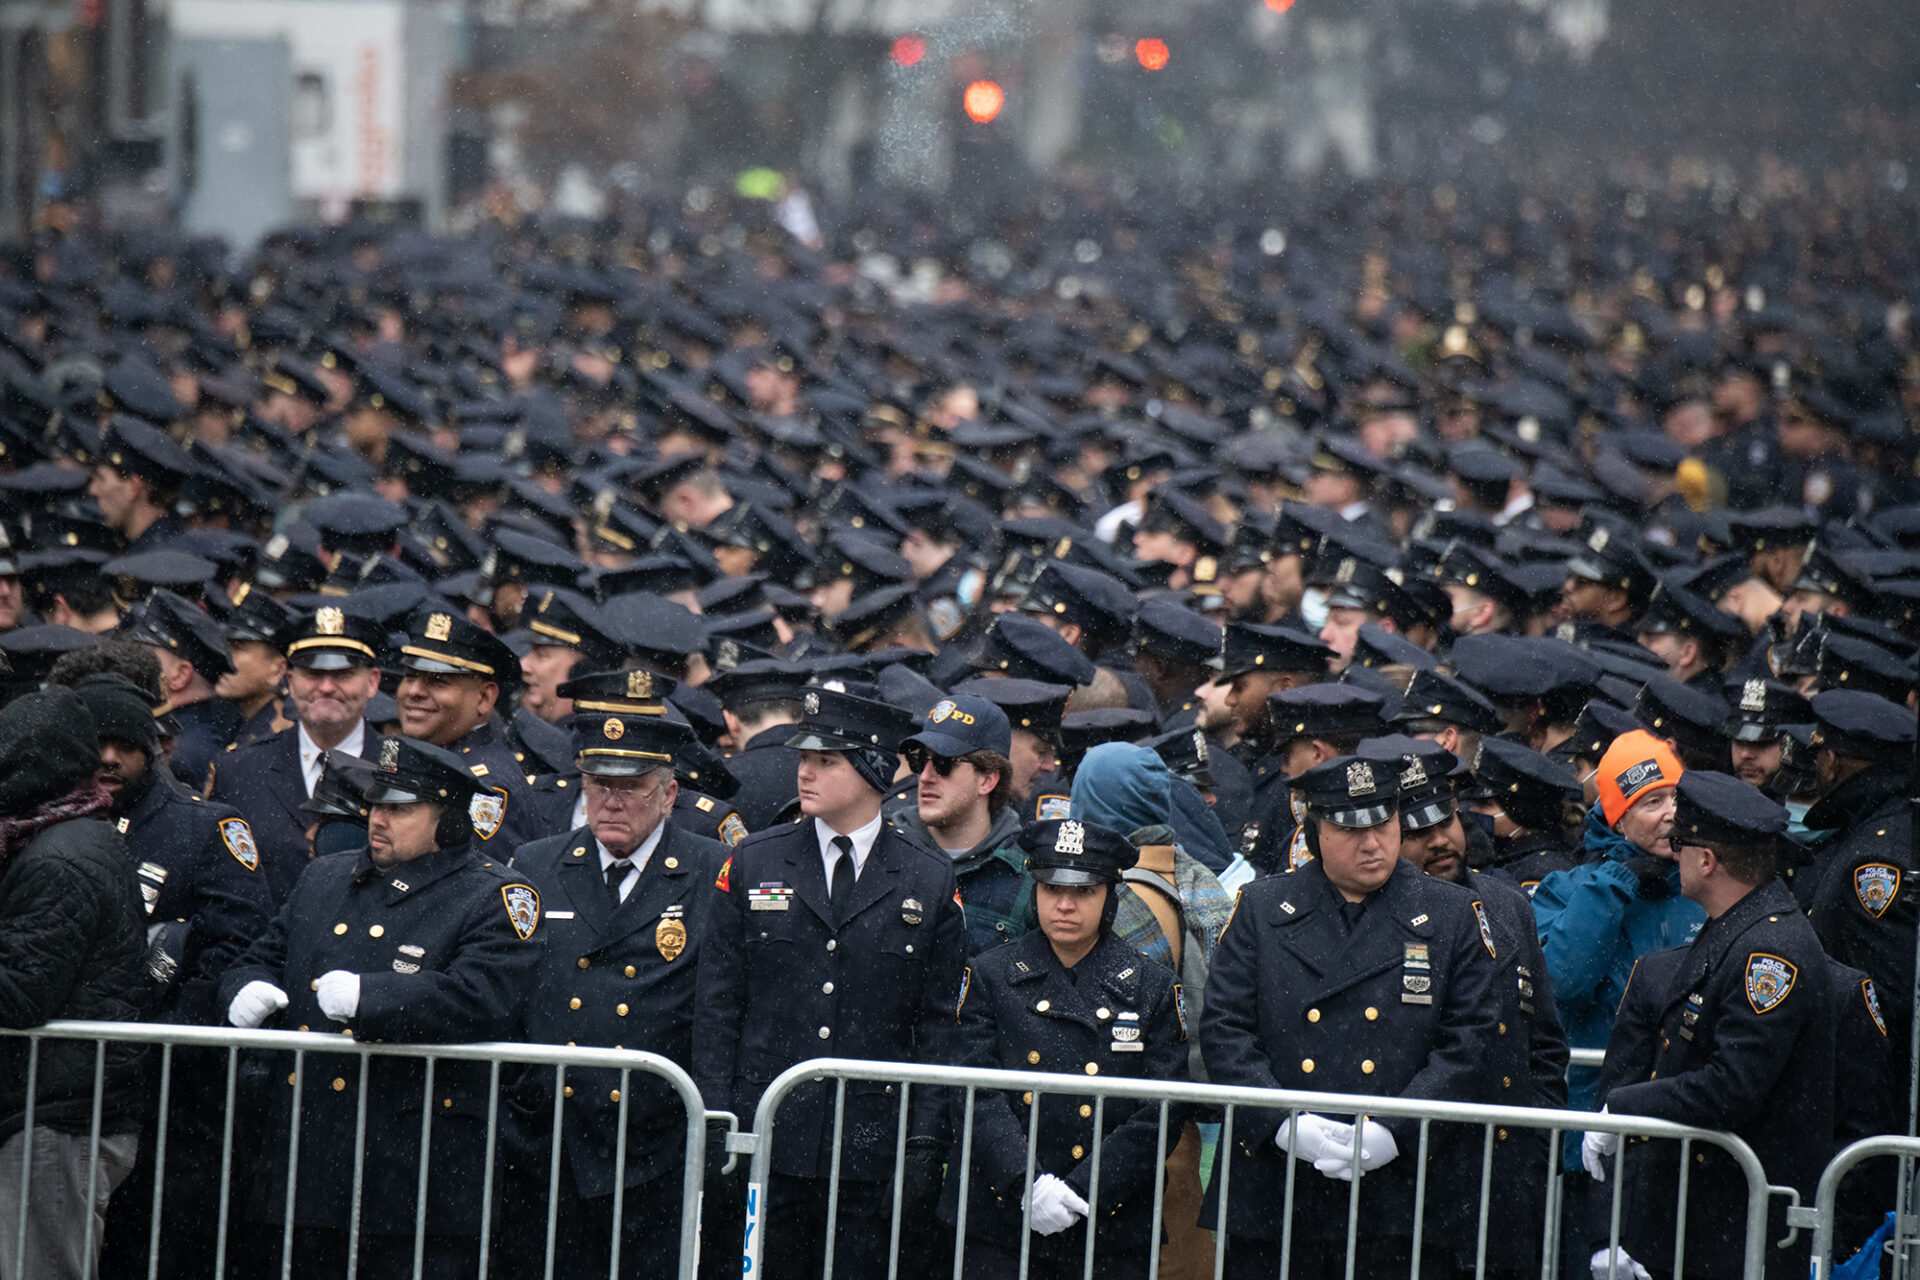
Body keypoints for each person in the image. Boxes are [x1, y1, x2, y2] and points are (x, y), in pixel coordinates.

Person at [218, 736, 544, 1279]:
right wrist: (244, 987)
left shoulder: (494, 896)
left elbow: (482, 998)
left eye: (400, 809)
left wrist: (375, 998)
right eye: (375, 804)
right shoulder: (326, 876)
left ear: (448, 819)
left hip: (413, 1169)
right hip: (308, 1154)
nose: (378, 819)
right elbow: (264, 953)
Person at [693, 688, 965, 1278]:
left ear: (871, 767)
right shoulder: (755, 861)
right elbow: (718, 1003)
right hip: (767, 1131)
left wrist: (924, 1141)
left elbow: (938, 1024)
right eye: (804, 758)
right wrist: (717, 1116)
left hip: (871, 1139)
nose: (806, 771)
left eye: (827, 760)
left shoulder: (927, 877)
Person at [1199, 753, 1502, 1279]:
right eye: (1349, 828)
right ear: (1314, 830)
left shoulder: (1450, 913)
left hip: (1402, 1189)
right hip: (1278, 1184)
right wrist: (1282, 1123)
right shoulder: (1262, 907)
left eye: (1383, 824)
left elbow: (1471, 1041)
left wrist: (1395, 1128)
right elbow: (1225, 1031)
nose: (1371, 843)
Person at [501, 691, 728, 1279]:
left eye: (629, 787)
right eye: (598, 784)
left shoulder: (712, 869)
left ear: (669, 793)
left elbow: (722, 1002)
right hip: (548, 1136)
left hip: (652, 1138)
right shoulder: (538, 862)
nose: (610, 802)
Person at [1588, 771, 1834, 1280]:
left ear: (1706, 860)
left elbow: (1731, 1086)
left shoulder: (1769, 952)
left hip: (1738, 1223)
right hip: (1703, 1220)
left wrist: (1625, 1105)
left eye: (1680, 844)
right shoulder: (1736, 930)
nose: (1671, 855)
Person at [940, 819, 1189, 1279]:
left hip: (1109, 1220)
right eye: (1051, 889)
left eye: (1084, 892)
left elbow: (1161, 1109)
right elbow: (974, 1090)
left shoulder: (1151, 987)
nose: (1065, 905)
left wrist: (1085, 1189)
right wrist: (1025, 1182)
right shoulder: (991, 975)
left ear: (1110, 896)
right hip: (1002, 1214)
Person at [1380, 736, 1569, 1280]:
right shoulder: (1376, 912)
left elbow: (1544, 1043)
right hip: (1410, 1170)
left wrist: (1537, 1149)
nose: (1440, 841)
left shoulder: (1507, 903)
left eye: (1447, 822)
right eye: (1418, 832)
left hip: (1502, 1168)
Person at [1530, 730, 1701, 1246]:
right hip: (1591, 1138)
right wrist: (1615, 882)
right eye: (1652, 802)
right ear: (1617, 818)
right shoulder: (1568, 890)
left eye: (1678, 797)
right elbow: (1564, 984)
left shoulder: (1706, 884)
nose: (1671, 813)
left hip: (1684, 1136)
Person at [0, 687, 147, 1280]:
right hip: (47, 1109)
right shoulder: (59, 839)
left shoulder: (60, 859)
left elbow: (20, 992)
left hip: (55, 1119)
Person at [211, 605, 385, 907]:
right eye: (312, 673)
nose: (327, 687)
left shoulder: (401, 770)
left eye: (343, 674)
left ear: (372, 682)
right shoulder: (239, 769)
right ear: (290, 681)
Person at [1802, 690, 1918, 1092]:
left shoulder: (1876, 861)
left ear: (1831, 762)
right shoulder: (1875, 827)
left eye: (1818, 753)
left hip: (1869, 1094)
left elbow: (1889, 998)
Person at [388, 604, 545, 849]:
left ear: (484, 698)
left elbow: (480, 882)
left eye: (438, 681)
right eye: (409, 676)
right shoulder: (435, 759)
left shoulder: (486, 786)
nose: (414, 691)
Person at [893, 693, 1033, 954]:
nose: (925, 777)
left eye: (944, 764)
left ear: (987, 780)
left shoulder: (1026, 874)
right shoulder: (881, 853)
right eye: (920, 760)